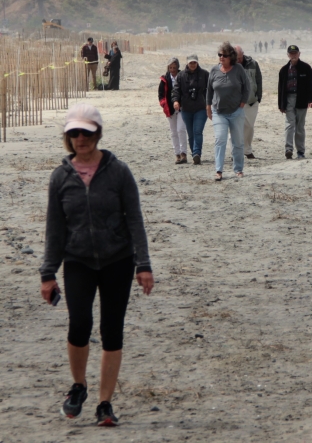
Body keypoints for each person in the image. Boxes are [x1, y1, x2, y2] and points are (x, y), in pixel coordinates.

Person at [39, 103, 153, 426]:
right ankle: (79, 386)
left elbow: (135, 221)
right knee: (79, 325)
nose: (80, 138)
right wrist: (48, 273)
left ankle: (105, 404)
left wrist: (143, 265)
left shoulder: (118, 172)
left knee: (111, 330)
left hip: (118, 260)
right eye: (74, 133)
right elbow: (55, 230)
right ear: (68, 137)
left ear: (97, 134)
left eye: (86, 132)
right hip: (78, 261)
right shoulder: (60, 178)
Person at [206, 41, 250, 180]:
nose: (221, 57)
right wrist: (208, 107)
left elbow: (246, 87)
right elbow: (209, 90)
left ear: (231, 56)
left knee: (237, 142)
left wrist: (242, 103)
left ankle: (238, 169)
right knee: (220, 140)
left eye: (224, 55)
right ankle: (218, 170)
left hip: (236, 112)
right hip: (218, 112)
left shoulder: (238, 69)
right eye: (219, 55)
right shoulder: (214, 70)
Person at [278, 45, 312, 160]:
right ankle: (288, 149)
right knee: (289, 125)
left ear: (299, 54)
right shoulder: (284, 70)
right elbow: (280, 88)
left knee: (300, 127)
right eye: (291, 53)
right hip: (288, 99)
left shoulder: (306, 68)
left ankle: (300, 151)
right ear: (288, 55)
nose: (293, 55)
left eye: (295, 53)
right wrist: (281, 104)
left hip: (302, 99)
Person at [172, 54, 209, 165]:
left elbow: (211, 90)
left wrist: (209, 103)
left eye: (194, 62)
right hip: (186, 109)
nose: (193, 64)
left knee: (198, 131)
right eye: (190, 63)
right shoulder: (181, 76)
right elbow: (176, 90)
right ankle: (194, 154)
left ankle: (197, 153)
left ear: (197, 63)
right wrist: (176, 101)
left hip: (201, 108)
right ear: (187, 63)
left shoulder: (205, 74)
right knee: (191, 133)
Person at [235, 45, 262, 160]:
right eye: (236, 58)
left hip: (251, 101)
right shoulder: (230, 65)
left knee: (249, 126)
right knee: (236, 127)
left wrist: (258, 96)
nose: (238, 60)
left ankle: (246, 149)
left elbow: (259, 80)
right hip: (235, 102)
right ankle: (236, 151)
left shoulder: (253, 64)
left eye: (240, 58)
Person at [158, 58, 188, 164]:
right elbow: (161, 95)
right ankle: (177, 154)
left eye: (174, 67)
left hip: (181, 108)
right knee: (173, 132)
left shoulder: (183, 76)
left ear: (178, 67)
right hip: (169, 109)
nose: (173, 70)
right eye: (170, 67)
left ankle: (184, 153)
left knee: (181, 129)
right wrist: (164, 105)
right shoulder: (164, 79)